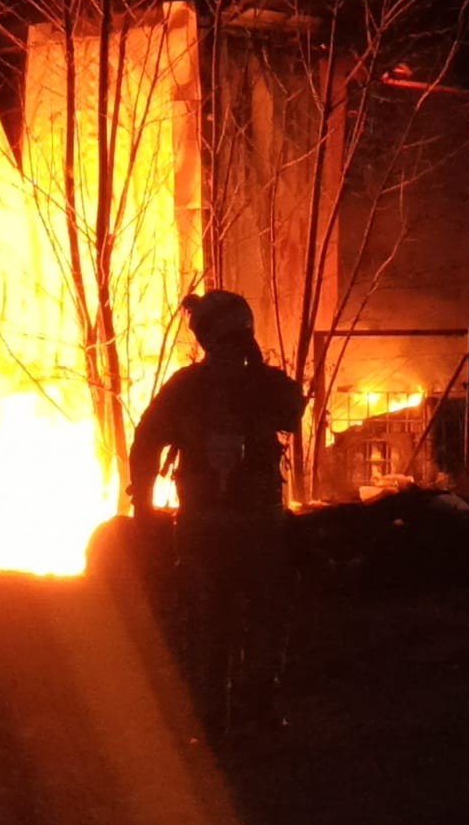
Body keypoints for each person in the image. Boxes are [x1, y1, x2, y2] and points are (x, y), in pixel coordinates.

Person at [127, 290, 306, 739]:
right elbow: (292, 408)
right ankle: (249, 714)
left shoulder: (188, 387)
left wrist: (144, 510)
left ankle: (217, 719)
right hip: (247, 527)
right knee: (249, 619)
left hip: (215, 528)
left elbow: (145, 444)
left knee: (213, 622)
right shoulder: (256, 386)